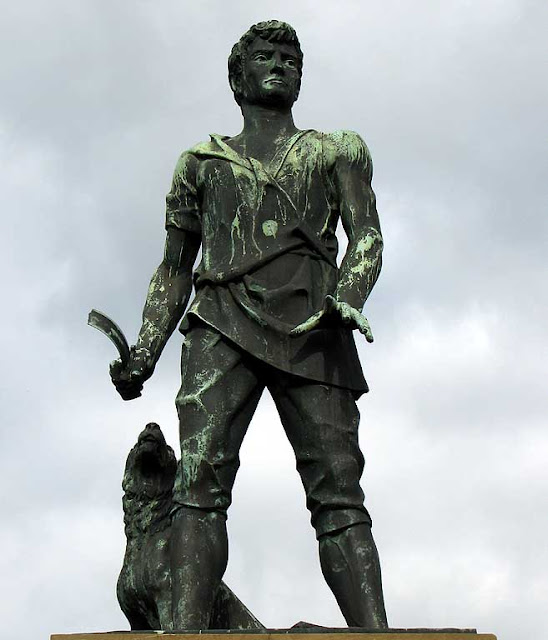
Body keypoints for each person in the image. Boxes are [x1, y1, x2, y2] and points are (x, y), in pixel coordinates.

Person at [110, 20, 388, 630]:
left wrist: (348, 295)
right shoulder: (200, 164)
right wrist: (147, 349)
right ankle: (186, 630)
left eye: (291, 59)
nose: (280, 65)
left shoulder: (336, 151)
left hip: (315, 326)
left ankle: (377, 635)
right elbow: (174, 267)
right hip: (220, 323)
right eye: (265, 56)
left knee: (339, 490)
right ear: (238, 77)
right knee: (198, 485)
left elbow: (366, 235)